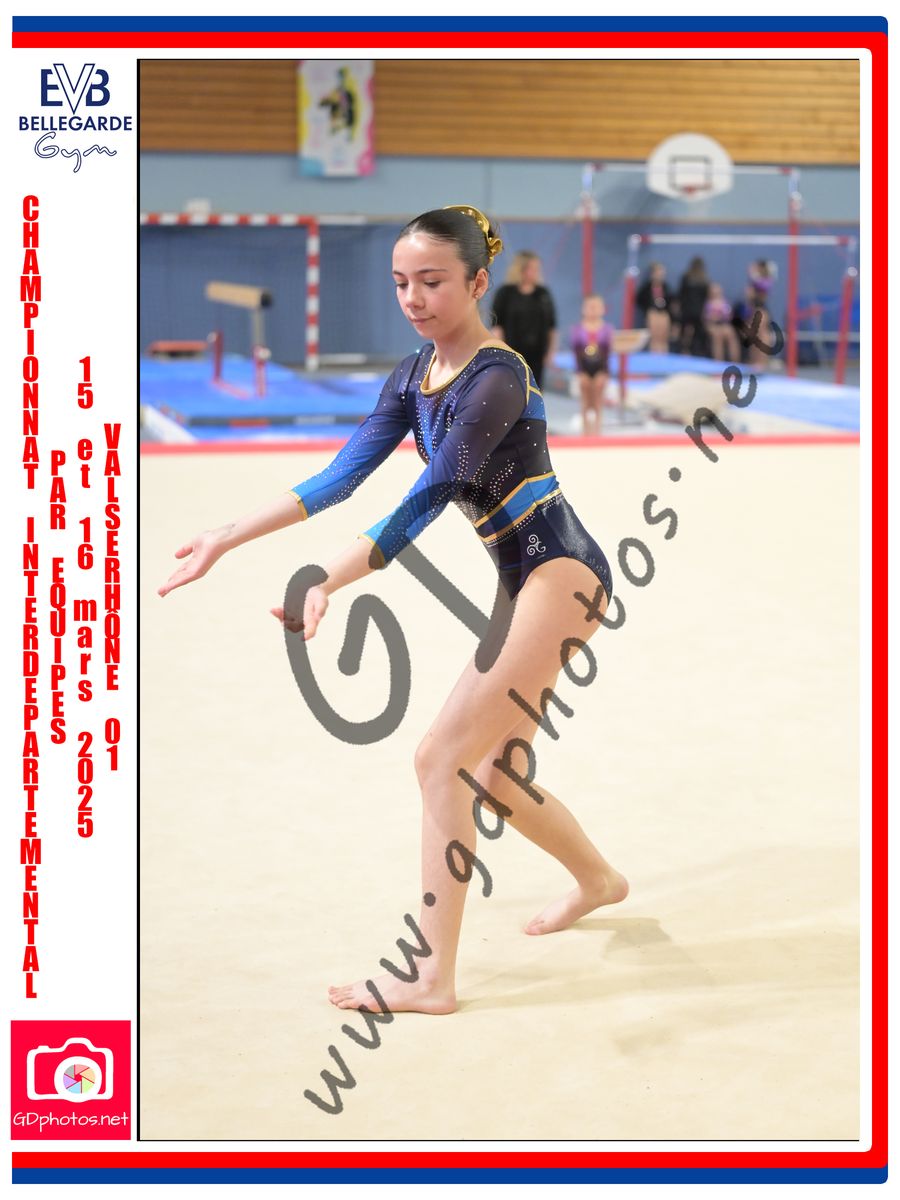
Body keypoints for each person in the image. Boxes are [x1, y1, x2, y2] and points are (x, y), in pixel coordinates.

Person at [158, 205, 627, 1016]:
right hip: (523, 581)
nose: (413, 297)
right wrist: (225, 537)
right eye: (402, 282)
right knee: (492, 773)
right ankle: (599, 879)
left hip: (562, 576)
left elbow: (428, 498)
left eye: (433, 281)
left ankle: (431, 978)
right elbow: (339, 478)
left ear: (478, 282)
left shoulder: (497, 377)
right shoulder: (413, 377)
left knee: (441, 758)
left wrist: (327, 580)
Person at [489, 250, 558, 390]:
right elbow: (497, 325)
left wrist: (551, 352)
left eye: (537, 268)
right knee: (511, 390)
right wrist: (502, 352)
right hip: (511, 353)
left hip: (537, 355)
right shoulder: (505, 293)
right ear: (521, 269)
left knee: (534, 391)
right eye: (532, 268)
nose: (536, 272)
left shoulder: (543, 294)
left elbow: (552, 326)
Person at [570, 294, 613, 436]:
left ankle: (597, 431)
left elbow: (607, 354)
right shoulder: (577, 329)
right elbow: (576, 354)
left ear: (602, 309)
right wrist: (579, 373)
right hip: (584, 369)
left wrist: (605, 373)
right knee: (585, 401)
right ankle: (586, 432)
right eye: (590, 307)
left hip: (600, 369)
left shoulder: (607, 329)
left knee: (598, 401)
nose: (593, 310)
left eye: (596, 307)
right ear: (583, 309)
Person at [635, 261, 673, 353]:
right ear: (653, 274)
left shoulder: (666, 287)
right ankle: (654, 354)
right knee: (654, 336)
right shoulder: (647, 288)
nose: (660, 276)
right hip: (652, 313)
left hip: (663, 313)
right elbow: (639, 299)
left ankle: (664, 354)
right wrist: (647, 309)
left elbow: (670, 300)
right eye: (658, 273)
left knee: (663, 337)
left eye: (662, 274)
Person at [677, 256, 710, 356]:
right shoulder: (704, 280)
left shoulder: (688, 277)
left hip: (688, 308)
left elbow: (681, 294)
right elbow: (705, 297)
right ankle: (694, 350)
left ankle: (684, 350)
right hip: (696, 309)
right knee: (696, 332)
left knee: (685, 330)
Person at [702, 282, 741, 362]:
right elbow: (705, 317)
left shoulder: (724, 302)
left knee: (730, 333)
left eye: (717, 292)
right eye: (714, 292)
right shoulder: (708, 303)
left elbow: (729, 315)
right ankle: (718, 361)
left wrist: (722, 316)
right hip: (712, 325)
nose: (716, 294)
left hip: (723, 324)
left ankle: (735, 361)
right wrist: (713, 317)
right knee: (717, 335)